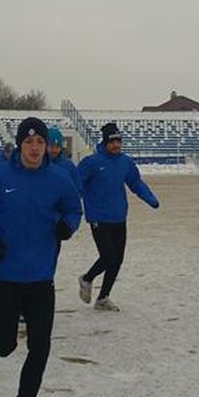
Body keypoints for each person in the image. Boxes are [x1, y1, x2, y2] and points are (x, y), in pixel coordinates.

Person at [0, 117, 82, 397]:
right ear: (20, 144)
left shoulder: (59, 179)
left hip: (41, 275)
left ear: (47, 145)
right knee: (7, 341)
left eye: (40, 142)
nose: (35, 148)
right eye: (29, 142)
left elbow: (73, 209)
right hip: (5, 274)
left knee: (40, 345)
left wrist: (68, 226)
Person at [77, 122, 160, 311]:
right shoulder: (91, 162)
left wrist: (150, 198)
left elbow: (135, 183)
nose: (116, 145)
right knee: (108, 256)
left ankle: (103, 298)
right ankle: (87, 279)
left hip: (119, 217)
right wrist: (69, 205)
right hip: (98, 217)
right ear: (105, 142)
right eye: (112, 142)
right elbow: (76, 185)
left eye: (118, 141)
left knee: (117, 260)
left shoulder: (125, 162)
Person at [46, 127, 80, 194]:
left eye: (58, 146)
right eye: (51, 146)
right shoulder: (36, 164)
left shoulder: (69, 166)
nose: (54, 150)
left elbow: (77, 189)